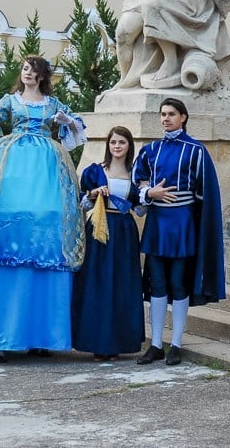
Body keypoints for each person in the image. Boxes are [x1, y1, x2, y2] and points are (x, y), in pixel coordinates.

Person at [0, 56, 86, 363]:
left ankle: (42, 336)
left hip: (47, 169)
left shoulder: (54, 105)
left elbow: (77, 132)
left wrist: (67, 122)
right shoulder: (9, 102)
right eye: (24, 69)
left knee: (48, 225)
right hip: (11, 164)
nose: (26, 73)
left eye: (32, 69)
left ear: (42, 75)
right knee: (3, 223)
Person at [134, 98, 226, 366]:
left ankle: (175, 343)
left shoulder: (196, 150)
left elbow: (204, 193)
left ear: (183, 117)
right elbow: (137, 182)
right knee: (157, 284)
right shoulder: (150, 150)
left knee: (178, 283)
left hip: (183, 225)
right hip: (157, 223)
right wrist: (149, 192)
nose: (166, 118)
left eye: (171, 114)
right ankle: (155, 344)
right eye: (163, 114)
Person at [71, 126, 145, 360]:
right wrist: (93, 194)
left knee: (121, 284)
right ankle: (96, 341)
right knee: (98, 283)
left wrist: (149, 195)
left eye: (121, 142)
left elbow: (140, 210)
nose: (117, 146)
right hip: (99, 231)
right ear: (108, 145)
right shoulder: (95, 172)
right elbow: (82, 205)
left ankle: (117, 342)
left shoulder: (135, 175)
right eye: (113, 142)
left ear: (129, 146)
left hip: (124, 232)